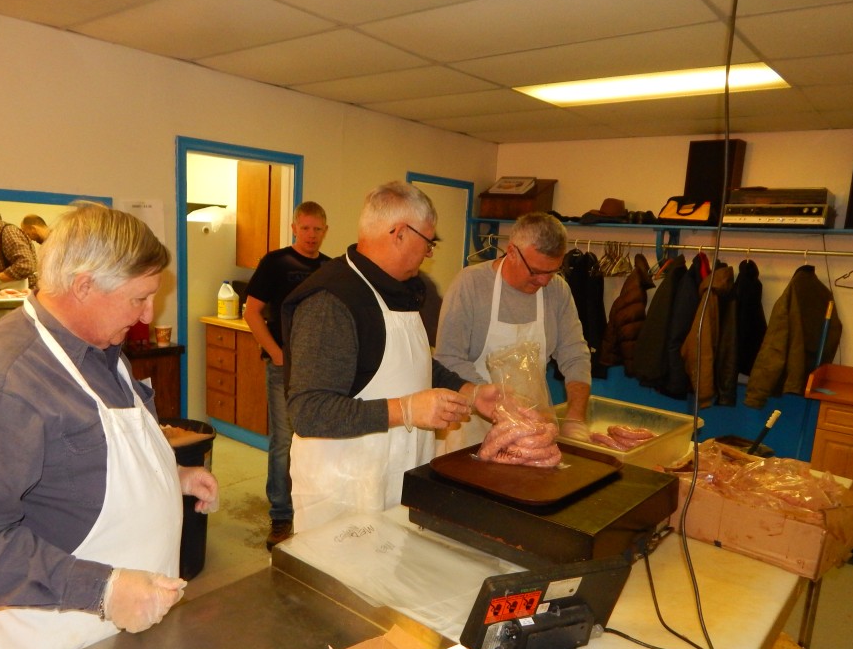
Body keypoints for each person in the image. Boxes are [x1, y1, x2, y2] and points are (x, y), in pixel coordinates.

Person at [0, 201, 218, 649]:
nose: (149, 315)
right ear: (84, 286)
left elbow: (87, 458)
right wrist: (103, 591)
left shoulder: (101, 343)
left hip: (125, 634)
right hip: (51, 648)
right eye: (140, 298)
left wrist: (170, 474)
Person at [282, 181, 497, 533]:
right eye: (428, 242)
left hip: (399, 473)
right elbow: (308, 411)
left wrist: (470, 392)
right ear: (399, 233)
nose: (429, 253)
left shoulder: (404, 288)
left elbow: (413, 364)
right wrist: (407, 410)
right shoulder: (331, 301)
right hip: (346, 487)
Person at [434, 211, 592, 452]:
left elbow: (575, 354)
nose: (544, 281)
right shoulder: (471, 285)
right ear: (511, 252)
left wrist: (575, 417)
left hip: (533, 428)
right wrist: (499, 405)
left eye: (553, 271)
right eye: (536, 271)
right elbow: (449, 359)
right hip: (471, 426)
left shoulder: (558, 291)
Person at [243, 201, 331, 550]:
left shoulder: (330, 267)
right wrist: (277, 354)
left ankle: (310, 509)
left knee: (314, 440)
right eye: (305, 228)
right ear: (295, 227)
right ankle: (281, 516)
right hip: (283, 370)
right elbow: (251, 312)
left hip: (319, 370)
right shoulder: (276, 263)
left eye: (318, 229)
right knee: (283, 442)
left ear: (326, 230)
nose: (311, 235)